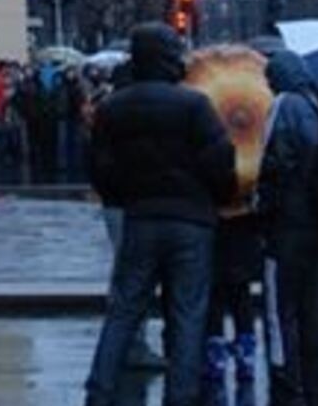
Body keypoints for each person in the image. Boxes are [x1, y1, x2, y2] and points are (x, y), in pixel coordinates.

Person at [84, 23, 237, 406]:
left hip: (140, 219)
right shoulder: (194, 105)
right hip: (191, 222)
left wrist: (125, 197)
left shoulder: (114, 107)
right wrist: (215, 198)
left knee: (124, 310)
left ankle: (100, 389)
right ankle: (181, 393)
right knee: (187, 313)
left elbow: (100, 169)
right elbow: (221, 164)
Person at [258, 51, 318, 406]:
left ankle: (286, 384)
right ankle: (315, 382)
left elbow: (274, 164)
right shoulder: (317, 106)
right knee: (310, 307)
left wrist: (263, 208)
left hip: (287, 225)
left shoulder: (283, 106)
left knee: (280, 309)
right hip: (317, 222)